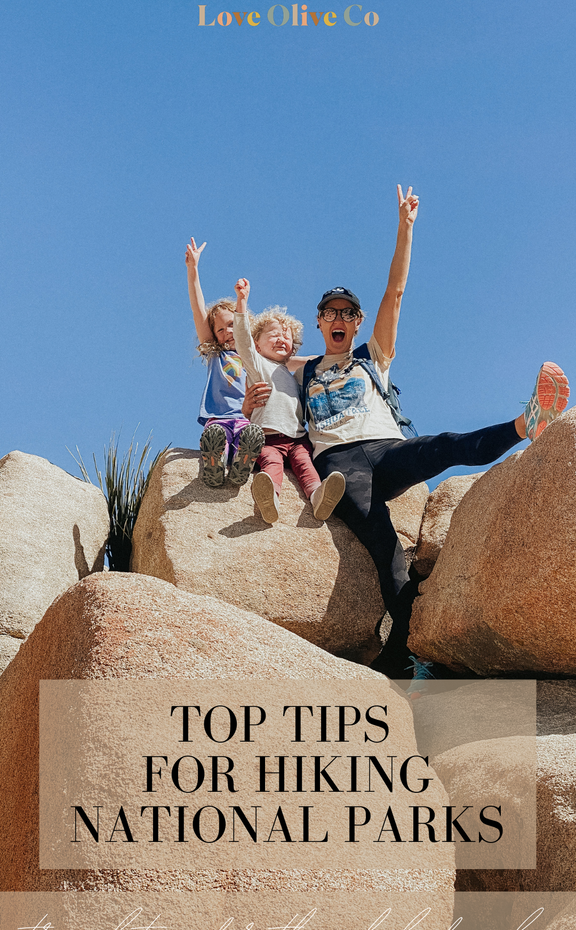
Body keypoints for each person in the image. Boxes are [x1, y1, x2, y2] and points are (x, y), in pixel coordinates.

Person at [295, 186, 570, 683]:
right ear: (318, 321)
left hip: (384, 449)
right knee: (385, 548)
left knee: (443, 445)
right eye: (330, 312)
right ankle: (403, 651)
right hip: (339, 465)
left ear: (357, 323)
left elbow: (394, 293)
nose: (339, 318)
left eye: (347, 313)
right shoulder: (302, 369)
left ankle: (525, 424)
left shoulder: (370, 357)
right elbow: (243, 356)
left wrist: (406, 227)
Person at [233, 277, 346, 524]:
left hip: (297, 438)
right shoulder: (258, 365)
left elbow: (316, 361)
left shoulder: (294, 375)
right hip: (267, 438)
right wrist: (242, 302)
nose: (281, 339)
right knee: (271, 465)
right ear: (257, 346)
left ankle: (319, 497)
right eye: (273, 335)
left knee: (306, 467)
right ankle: (269, 499)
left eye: (287, 337)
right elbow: (242, 340)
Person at [185, 237, 266, 487]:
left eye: (232, 325)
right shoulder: (216, 355)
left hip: (245, 418)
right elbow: (199, 313)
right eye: (220, 330)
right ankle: (215, 461)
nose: (227, 332)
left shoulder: (254, 356)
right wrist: (193, 270)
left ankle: (242, 461)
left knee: (249, 435)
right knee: (217, 435)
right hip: (217, 418)